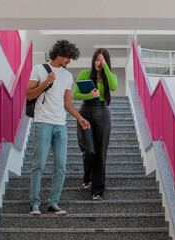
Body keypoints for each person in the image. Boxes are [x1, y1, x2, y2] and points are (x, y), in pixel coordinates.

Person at [27, 40, 90, 215]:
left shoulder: (68, 76)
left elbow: (67, 103)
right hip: (42, 122)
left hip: (60, 125)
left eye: (71, 58)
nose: (69, 61)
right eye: (68, 57)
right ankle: (34, 204)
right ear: (59, 54)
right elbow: (29, 94)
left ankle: (53, 203)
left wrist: (80, 118)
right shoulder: (39, 69)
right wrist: (46, 82)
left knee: (60, 166)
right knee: (38, 164)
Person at [73, 48, 118, 200]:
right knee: (89, 149)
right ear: (93, 60)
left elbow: (113, 87)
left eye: (102, 60)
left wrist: (105, 68)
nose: (99, 63)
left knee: (100, 153)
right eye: (97, 60)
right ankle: (87, 177)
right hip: (85, 111)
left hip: (102, 113)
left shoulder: (110, 76)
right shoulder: (84, 74)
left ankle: (97, 190)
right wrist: (89, 95)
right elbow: (75, 95)